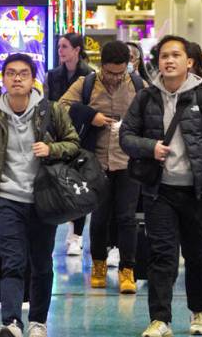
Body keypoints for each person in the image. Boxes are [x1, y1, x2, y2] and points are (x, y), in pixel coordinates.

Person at [120, 35, 202, 337]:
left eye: (176, 55)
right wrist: (149, 147)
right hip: (160, 191)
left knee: (197, 255)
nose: (168, 61)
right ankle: (159, 320)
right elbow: (126, 136)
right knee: (161, 256)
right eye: (164, 56)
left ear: (190, 62)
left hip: (197, 193)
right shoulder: (146, 98)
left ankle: (199, 311)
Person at [0, 53, 80, 337]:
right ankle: (11, 324)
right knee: (12, 262)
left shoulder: (52, 111)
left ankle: (38, 322)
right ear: (3, 79)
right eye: (11, 73)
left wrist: (51, 148)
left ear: (33, 78)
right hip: (8, 199)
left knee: (41, 263)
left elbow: (73, 144)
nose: (17, 78)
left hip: (43, 199)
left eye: (23, 73)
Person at [60, 41, 143, 294]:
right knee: (99, 217)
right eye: (110, 72)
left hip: (128, 161)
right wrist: (89, 115)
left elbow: (154, 112)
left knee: (127, 217)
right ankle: (98, 263)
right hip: (95, 162)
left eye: (121, 72)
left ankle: (127, 269)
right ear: (101, 66)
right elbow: (60, 107)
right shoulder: (87, 83)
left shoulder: (138, 85)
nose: (116, 78)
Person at [44, 32, 95, 256]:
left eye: (64, 46)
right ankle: (59, 226)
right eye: (59, 47)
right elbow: (48, 103)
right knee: (57, 183)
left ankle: (76, 235)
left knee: (78, 184)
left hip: (82, 134)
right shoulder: (53, 75)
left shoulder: (90, 75)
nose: (60, 51)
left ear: (77, 50)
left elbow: (90, 106)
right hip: (56, 136)